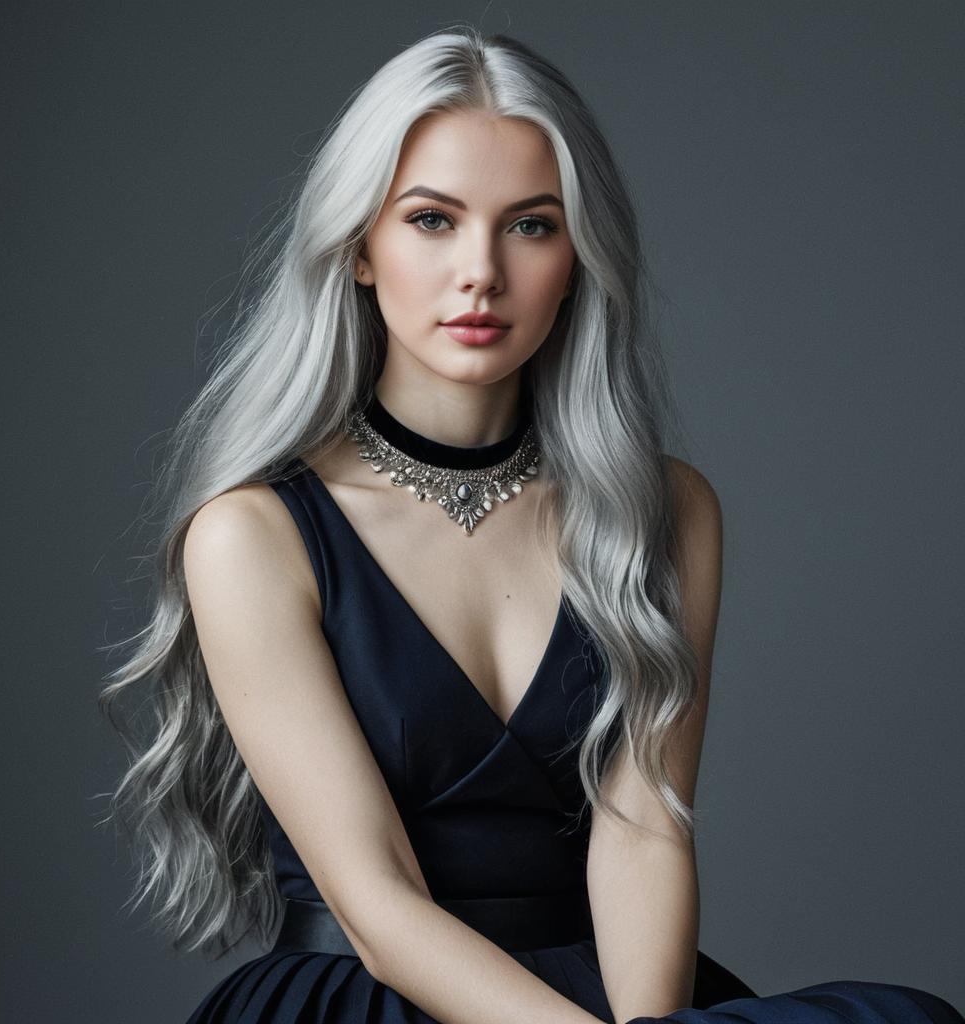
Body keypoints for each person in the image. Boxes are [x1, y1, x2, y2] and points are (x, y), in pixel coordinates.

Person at [98, 24, 963, 1024]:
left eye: (530, 225)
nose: (481, 271)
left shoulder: (666, 511)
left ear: (577, 257)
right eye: (431, 220)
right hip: (371, 995)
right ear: (360, 250)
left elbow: (645, 832)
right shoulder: (252, 533)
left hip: (611, 998)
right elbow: (377, 903)